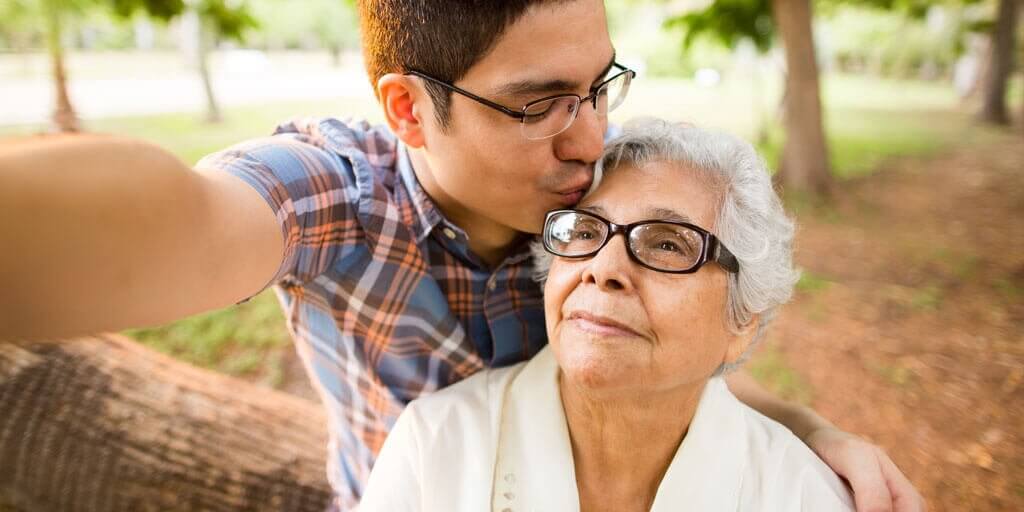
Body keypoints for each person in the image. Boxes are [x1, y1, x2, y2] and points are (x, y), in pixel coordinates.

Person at [0, 1, 924, 510]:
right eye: (538, 104)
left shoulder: (587, 203)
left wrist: (813, 432)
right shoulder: (340, 198)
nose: (589, 139)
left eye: (598, 87)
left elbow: (672, 341)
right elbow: (188, 219)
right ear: (409, 111)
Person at [360, 119, 854, 511]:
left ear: (742, 320)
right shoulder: (434, 448)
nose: (603, 268)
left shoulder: (802, 493)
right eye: (585, 231)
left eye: (666, 243)